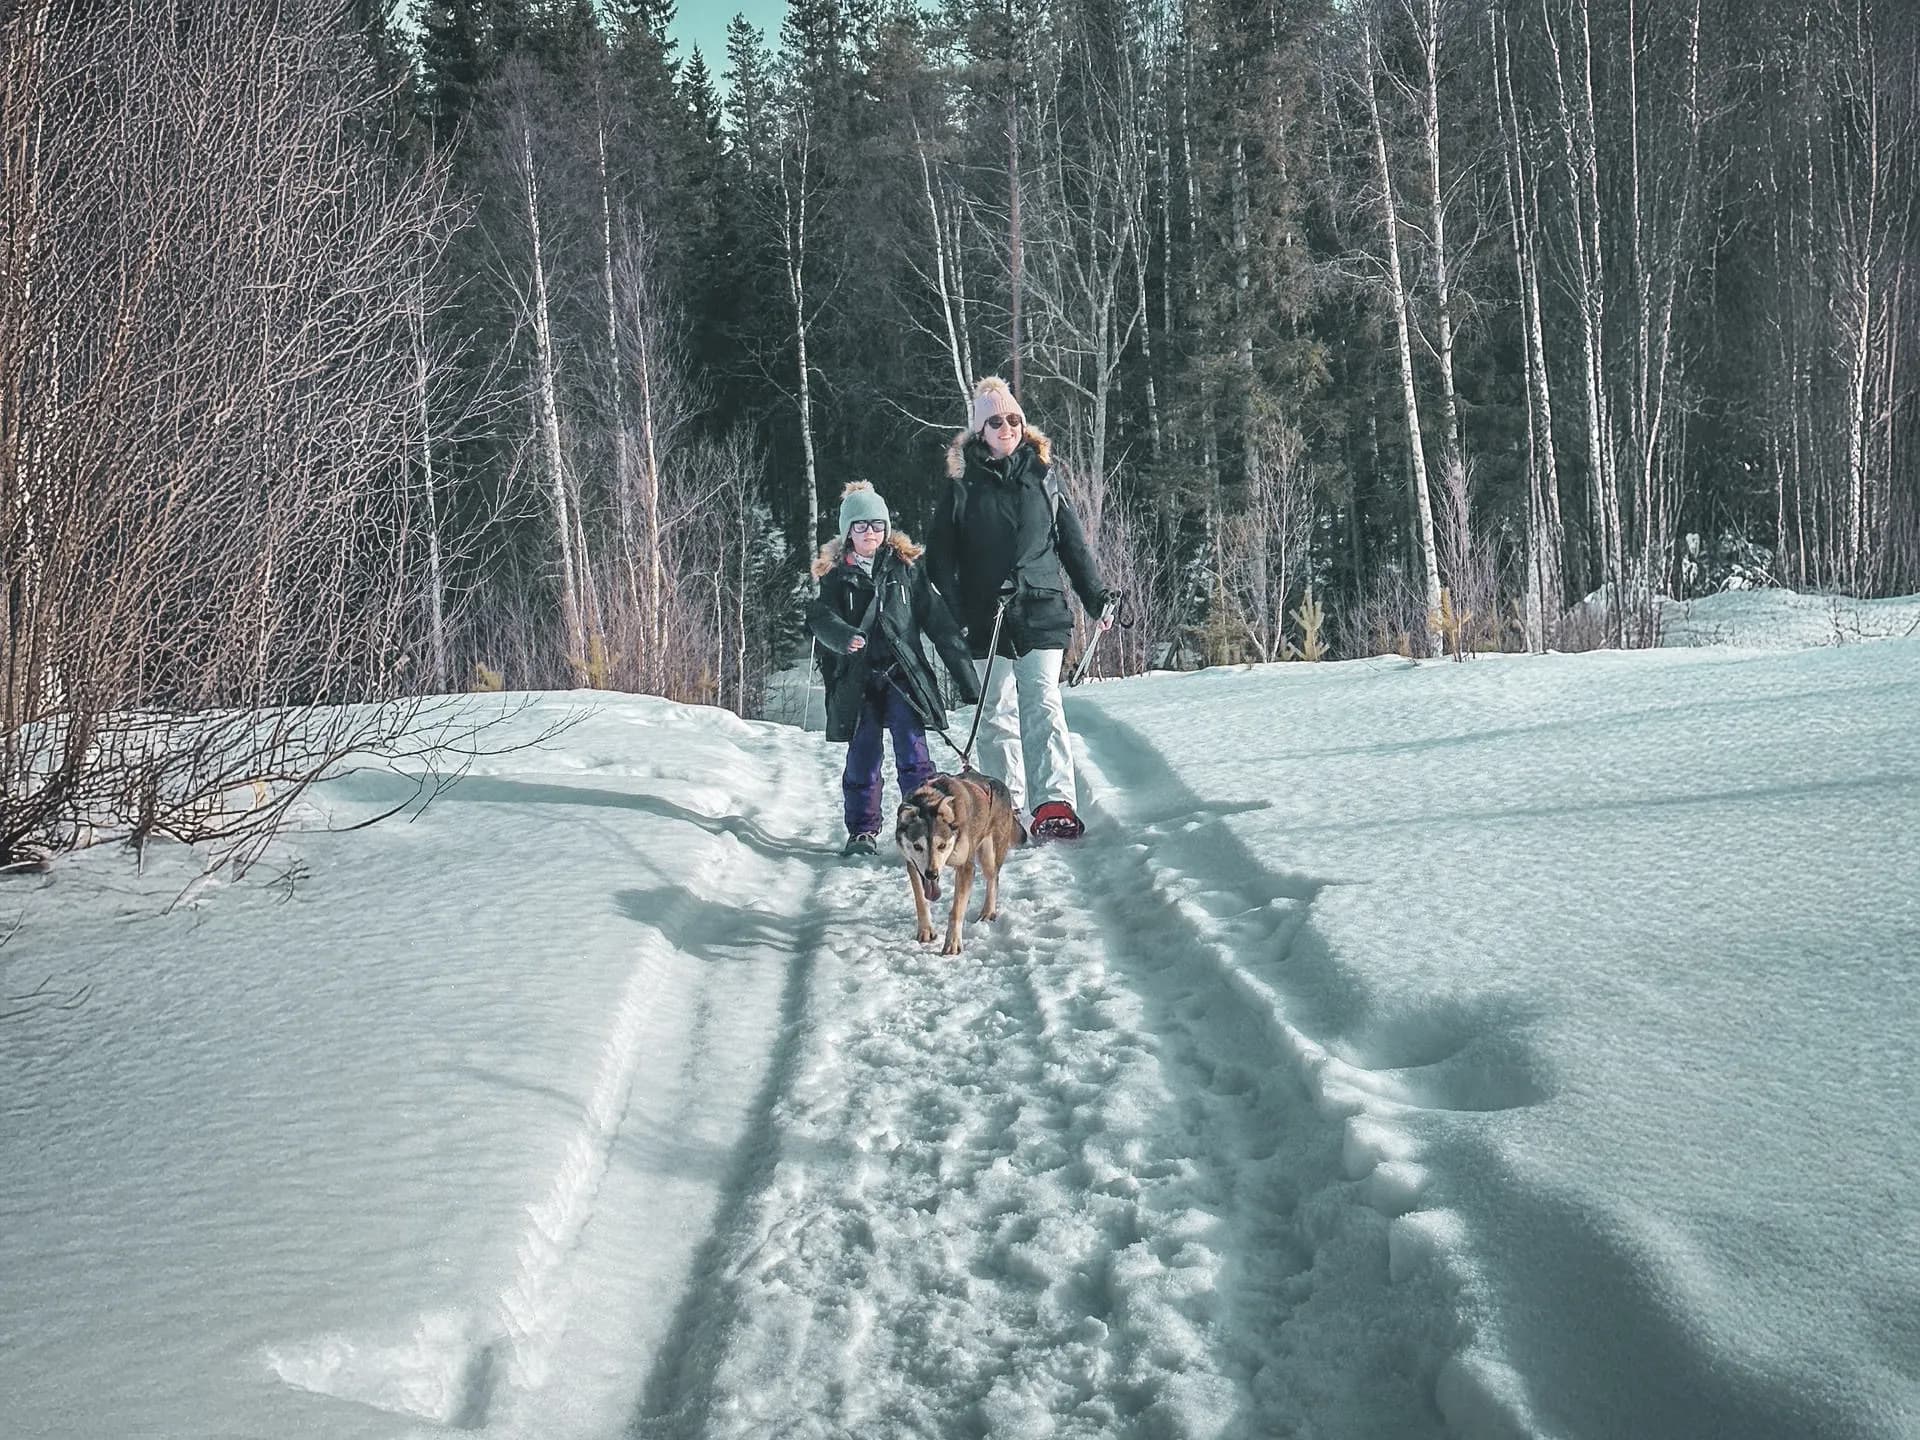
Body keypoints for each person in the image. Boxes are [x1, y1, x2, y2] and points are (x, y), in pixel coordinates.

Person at [927, 377, 1114, 841]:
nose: (1007, 426)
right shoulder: (961, 486)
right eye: (996, 421)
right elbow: (939, 560)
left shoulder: (1043, 477)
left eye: (1014, 418)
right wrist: (958, 613)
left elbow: (1072, 544)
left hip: (1042, 606)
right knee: (995, 712)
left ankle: (1054, 802)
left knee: (1043, 703)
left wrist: (1096, 597)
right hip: (984, 615)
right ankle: (1003, 809)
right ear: (980, 431)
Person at [807, 481, 982, 857]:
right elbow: (820, 618)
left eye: (877, 524)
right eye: (860, 526)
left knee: (913, 751)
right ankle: (862, 831)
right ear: (848, 532)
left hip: (903, 676)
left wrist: (969, 682)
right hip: (858, 681)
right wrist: (844, 637)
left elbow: (940, 625)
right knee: (863, 756)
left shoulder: (907, 570)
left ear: (886, 528)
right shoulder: (835, 576)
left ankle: (925, 822)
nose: (869, 532)